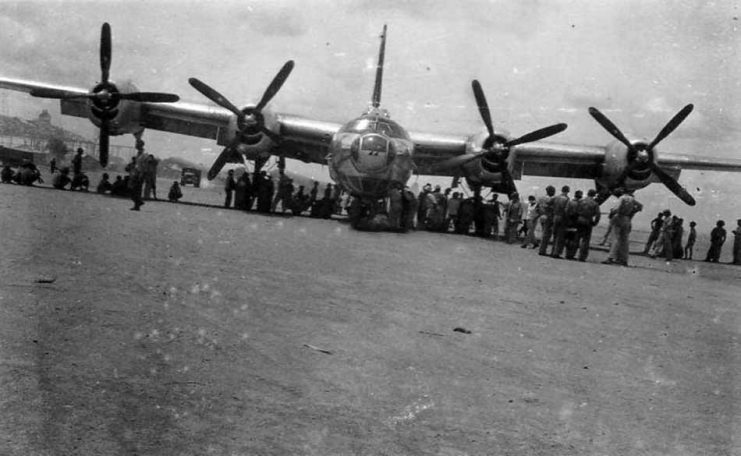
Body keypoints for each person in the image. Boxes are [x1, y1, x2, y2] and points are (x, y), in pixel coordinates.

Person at [602, 189, 643, 266]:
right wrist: (633, 211)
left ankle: (610, 257)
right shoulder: (632, 199)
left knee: (615, 238)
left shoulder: (622, 198)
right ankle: (624, 260)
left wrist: (611, 213)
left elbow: (616, 208)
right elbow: (640, 206)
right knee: (625, 240)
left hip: (619, 217)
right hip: (627, 219)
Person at [574, 189, 601, 262]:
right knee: (585, 240)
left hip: (579, 219)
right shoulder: (595, 203)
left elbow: (575, 211)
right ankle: (582, 257)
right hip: (588, 220)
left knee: (576, 237)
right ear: (594, 195)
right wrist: (595, 222)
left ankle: (571, 254)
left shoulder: (581, 201)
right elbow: (598, 214)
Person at [550, 185, 571, 258]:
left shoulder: (556, 197)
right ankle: (556, 253)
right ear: (567, 191)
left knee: (555, 235)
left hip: (555, 216)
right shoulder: (567, 199)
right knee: (560, 236)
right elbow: (566, 210)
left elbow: (549, 204)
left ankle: (552, 251)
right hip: (562, 217)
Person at [537, 185, 556, 256]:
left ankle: (542, 249)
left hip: (542, 217)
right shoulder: (552, 199)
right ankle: (542, 250)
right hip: (549, 217)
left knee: (544, 233)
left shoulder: (541, 198)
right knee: (546, 235)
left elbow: (537, 208)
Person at [563, 190, 583, 259]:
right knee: (573, 239)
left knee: (568, 238)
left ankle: (566, 253)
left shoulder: (570, 202)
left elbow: (566, 211)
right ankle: (570, 254)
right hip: (575, 222)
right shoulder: (580, 204)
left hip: (568, 222)